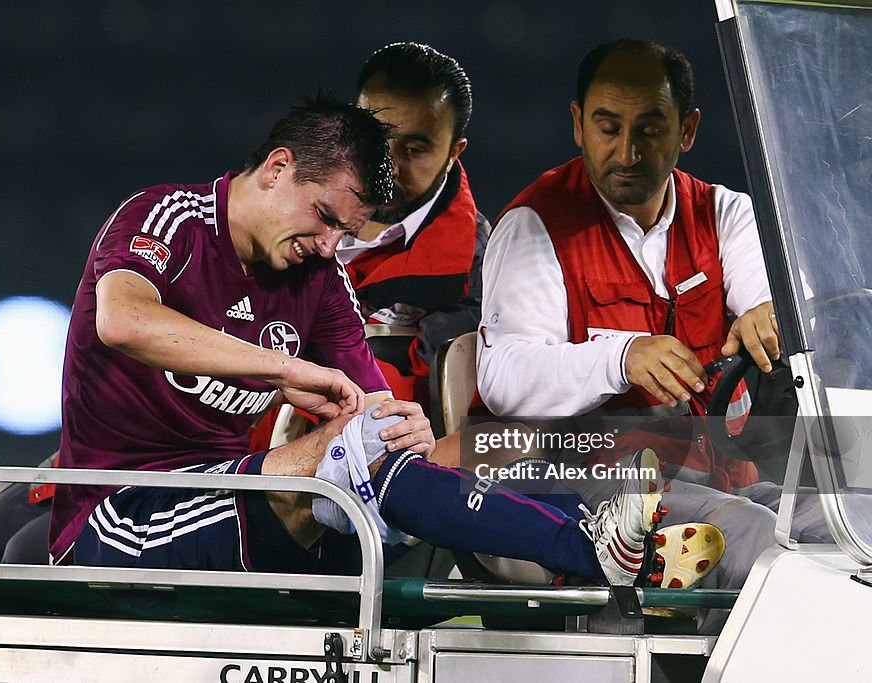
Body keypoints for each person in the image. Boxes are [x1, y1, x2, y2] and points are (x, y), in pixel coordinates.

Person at [47, 93, 684, 587]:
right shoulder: (168, 220)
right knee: (340, 457)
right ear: (277, 169)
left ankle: (601, 542)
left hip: (227, 492)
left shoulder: (319, 278)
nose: (331, 247)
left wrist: (398, 422)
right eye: (324, 219)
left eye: (344, 232)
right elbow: (123, 321)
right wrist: (285, 371)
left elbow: (372, 410)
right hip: (119, 509)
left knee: (369, 448)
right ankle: (588, 544)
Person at [478, 39, 831, 593]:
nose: (626, 152)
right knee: (750, 536)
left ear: (686, 130)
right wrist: (620, 358)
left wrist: (769, 311)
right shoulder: (533, 225)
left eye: (649, 127)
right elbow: (504, 379)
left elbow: (767, 286)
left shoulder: (726, 213)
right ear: (578, 124)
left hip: (725, 481)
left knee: (853, 522)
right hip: (592, 484)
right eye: (607, 127)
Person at [338, 42, 489, 409]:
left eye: (415, 150)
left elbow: (420, 406)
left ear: (454, 153)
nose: (387, 170)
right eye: (374, 139)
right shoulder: (282, 208)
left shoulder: (478, 266)